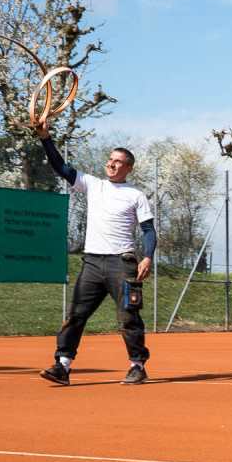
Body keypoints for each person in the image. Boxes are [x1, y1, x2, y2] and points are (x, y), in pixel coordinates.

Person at [34, 120, 157, 386]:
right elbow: (60, 167)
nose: (111, 164)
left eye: (117, 161)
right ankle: (62, 367)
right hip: (91, 263)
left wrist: (147, 257)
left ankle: (137, 366)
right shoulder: (92, 184)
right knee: (75, 315)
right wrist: (46, 138)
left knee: (128, 318)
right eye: (110, 160)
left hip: (122, 264)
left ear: (128, 168)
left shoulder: (136, 195)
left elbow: (149, 230)